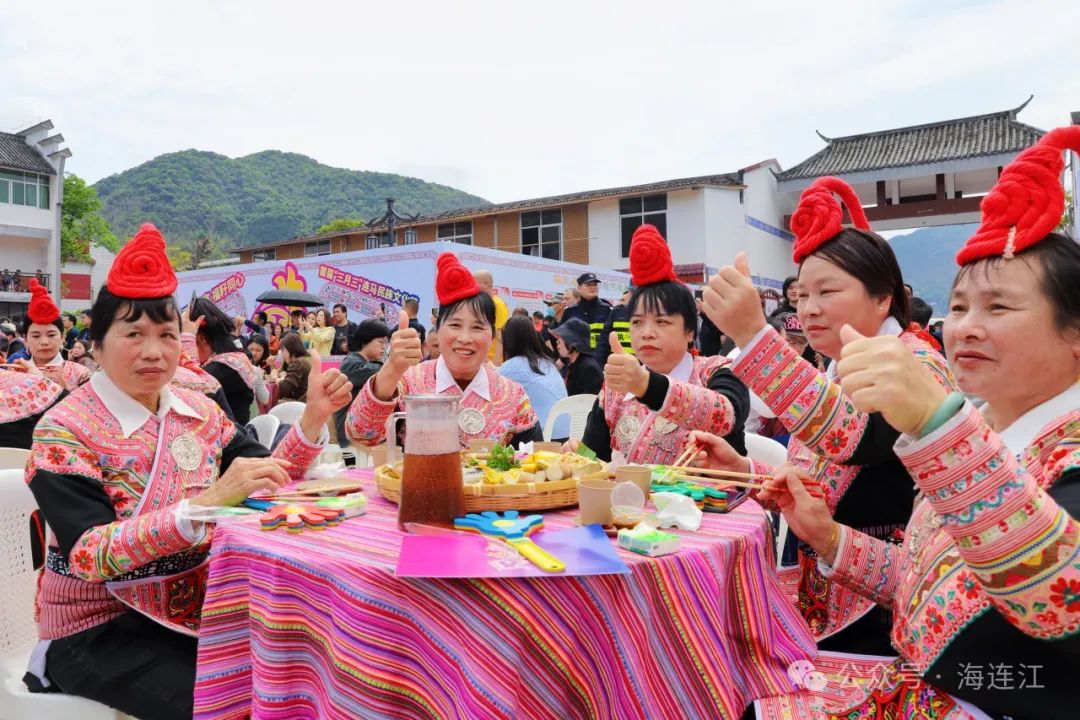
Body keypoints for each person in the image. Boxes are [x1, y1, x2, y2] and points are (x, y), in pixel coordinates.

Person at [750, 125, 1080, 720]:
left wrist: (752, 338)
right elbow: (925, 583)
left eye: (998, 306)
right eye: (958, 307)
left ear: (884, 298)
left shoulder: (935, 385)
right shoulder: (989, 425)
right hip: (897, 658)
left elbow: (1058, 599)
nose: (966, 327)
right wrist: (823, 533)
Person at [22, 222, 351, 718]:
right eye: (133, 334)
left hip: (193, 609)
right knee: (237, 703)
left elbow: (269, 477)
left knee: (301, 671)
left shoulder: (198, 413)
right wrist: (204, 505)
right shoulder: (65, 430)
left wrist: (312, 419)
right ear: (96, 342)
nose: (153, 351)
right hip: (94, 629)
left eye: (164, 334)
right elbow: (88, 555)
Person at [701, 176, 955, 655]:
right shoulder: (833, 365)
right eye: (801, 296)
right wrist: (747, 471)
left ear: (883, 298)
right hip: (820, 592)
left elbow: (853, 437)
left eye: (827, 292)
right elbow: (818, 479)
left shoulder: (917, 363)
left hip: (889, 617)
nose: (809, 310)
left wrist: (755, 339)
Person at [575, 225, 750, 464]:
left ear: (690, 332)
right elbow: (593, 453)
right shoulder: (617, 387)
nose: (646, 333)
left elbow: (726, 414)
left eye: (662, 321)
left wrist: (645, 385)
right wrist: (577, 456)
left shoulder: (716, 371)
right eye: (636, 322)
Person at [346, 253, 542, 448]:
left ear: (492, 337)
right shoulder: (408, 383)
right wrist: (391, 369)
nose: (465, 338)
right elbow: (361, 434)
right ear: (437, 331)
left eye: (477, 327)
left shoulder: (512, 395)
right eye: (455, 325)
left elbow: (535, 461)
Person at [186, 297, 267, 426]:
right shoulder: (232, 357)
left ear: (200, 339)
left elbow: (186, 388)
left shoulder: (224, 367)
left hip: (227, 442)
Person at [499, 315, 569, 440]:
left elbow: (491, 384)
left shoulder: (512, 365)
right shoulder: (547, 363)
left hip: (544, 437)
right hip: (566, 433)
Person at [21, 280, 92, 389]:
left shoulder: (82, 374)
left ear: (62, 337)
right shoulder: (16, 372)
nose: (44, 342)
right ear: (25, 339)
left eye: (51, 335)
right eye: (36, 336)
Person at [335, 318, 391, 448]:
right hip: (350, 436)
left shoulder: (363, 362)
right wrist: (393, 364)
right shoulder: (351, 363)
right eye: (380, 342)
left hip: (363, 432)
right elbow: (382, 372)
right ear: (366, 341)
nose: (384, 347)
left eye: (385, 343)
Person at [551, 318, 603, 397]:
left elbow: (589, 403)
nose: (557, 342)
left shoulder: (589, 368)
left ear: (572, 343)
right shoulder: (574, 362)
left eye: (561, 338)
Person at [561, 272, 611, 350]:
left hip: (601, 359)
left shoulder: (606, 309)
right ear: (579, 287)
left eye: (595, 285)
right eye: (588, 285)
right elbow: (563, 339)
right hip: (578, 359)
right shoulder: (570, 311)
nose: (592, 287)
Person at [472, 269, 509, 365]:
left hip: (492, 361)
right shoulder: (484, 303)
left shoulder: (498, 304)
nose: (471, 286)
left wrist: (495, 362)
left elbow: (500, 334)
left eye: (474, 283)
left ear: (486, 283)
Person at [595, 286, 635, 364]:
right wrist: (600, 365)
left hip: (644, 365)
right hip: (617, 363)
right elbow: (604, 340)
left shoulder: (652, 312)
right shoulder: (617, 312)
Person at [274, 332, 312, 402]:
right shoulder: (305, 359)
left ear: (291, 349)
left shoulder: (298, 363)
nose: (282, 355)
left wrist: (275, 378)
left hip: (301, 404)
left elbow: (285, 389)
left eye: (283, 351)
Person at [695, 288, 724, 357]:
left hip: (711, 356)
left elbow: (718, 331)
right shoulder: (694, 314)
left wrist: (704, 313)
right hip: (696, 356)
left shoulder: (715, 313)